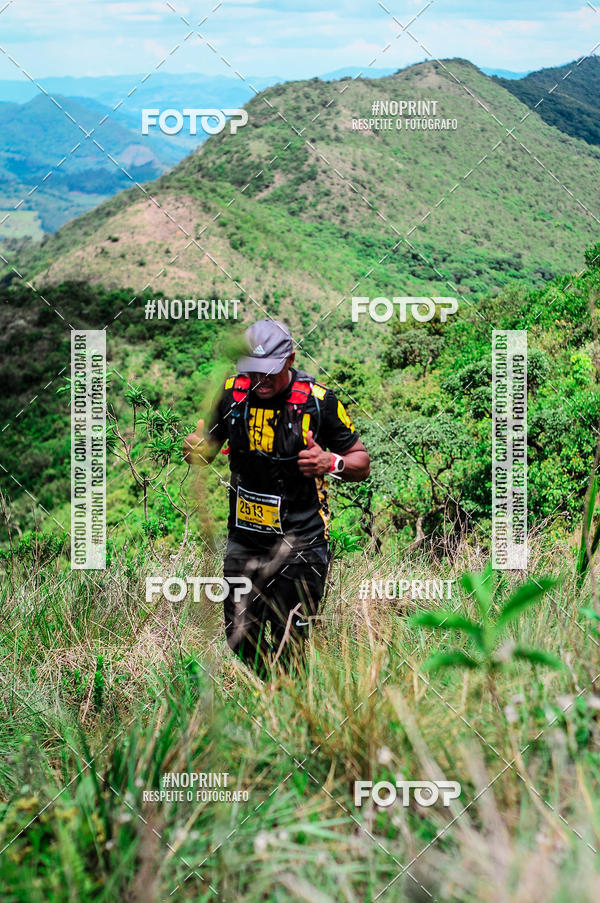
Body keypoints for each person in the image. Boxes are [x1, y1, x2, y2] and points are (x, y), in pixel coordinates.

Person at [183, 319, 370, 678]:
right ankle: (272, 695)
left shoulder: (319, 402)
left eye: (269, 372)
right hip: (245, 540)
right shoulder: (231, 394)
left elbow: (361, 462)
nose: (261, 380)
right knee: (239, 637)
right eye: (253, 372)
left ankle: (287, 712)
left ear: (290, 359)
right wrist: (193, 448)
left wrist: (330, 461)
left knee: (291, 643)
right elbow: (205, 449)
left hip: (302, 541)